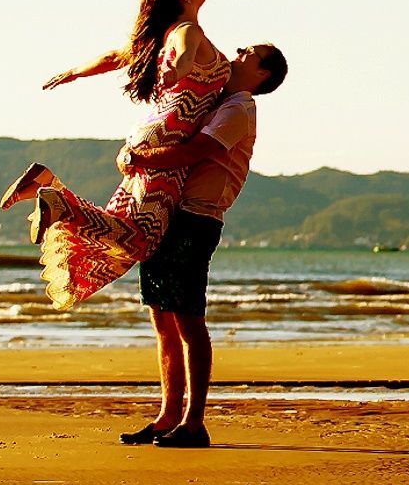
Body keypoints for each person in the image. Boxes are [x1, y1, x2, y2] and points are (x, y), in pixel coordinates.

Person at [0, 0, 232, 309]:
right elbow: (184, 53)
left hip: (153, 133)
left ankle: (48, 186)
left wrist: (75, 72)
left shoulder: (160, 36)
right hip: (169, 139)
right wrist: (177, 69)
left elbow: (113, 57)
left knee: (123, 231)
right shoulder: (186, 31)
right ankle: (56, 197)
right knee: (139, 242)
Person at [114, 43, 287, 449]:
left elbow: (200, 150)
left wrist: (142, 158)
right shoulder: (217, 100)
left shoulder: (239, 108)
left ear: (261, 74)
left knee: (189, 320)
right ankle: (167, 416)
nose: (239, 50)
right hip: (172, 214)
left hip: (196, 218)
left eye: (249, 52)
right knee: (163, 319)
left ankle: (194, 423)